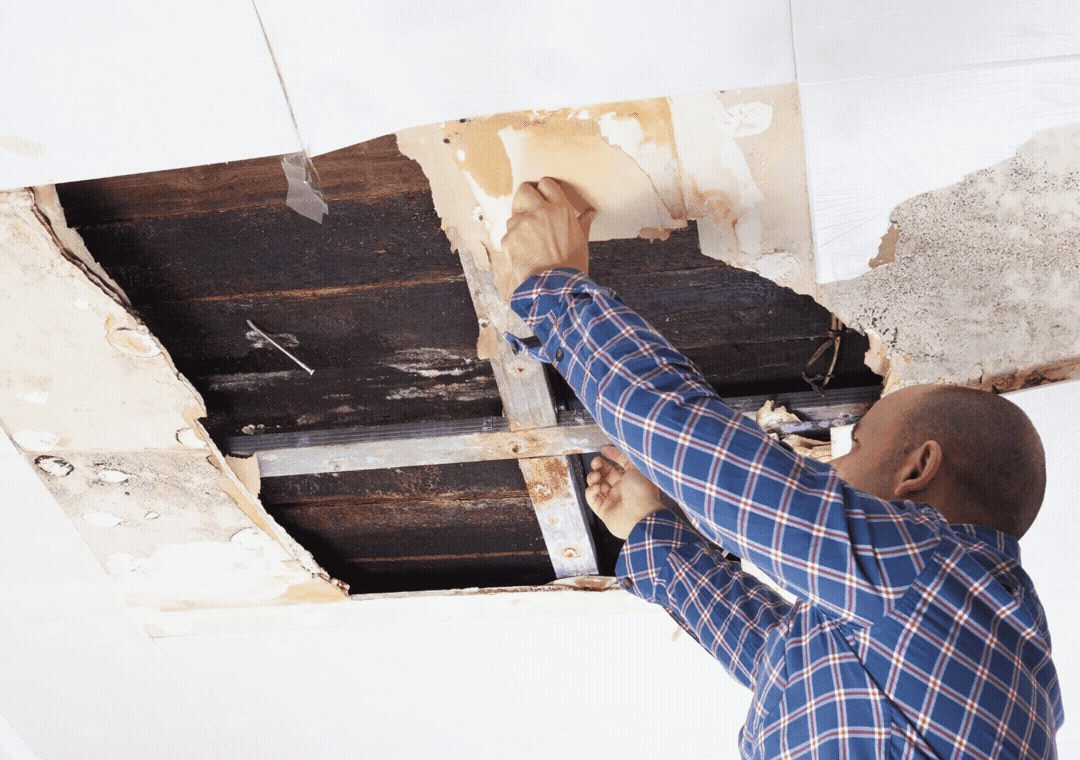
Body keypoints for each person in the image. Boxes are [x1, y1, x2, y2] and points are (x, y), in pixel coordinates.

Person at [498, 177, 1062, 759]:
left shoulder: (931, 581)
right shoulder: (946, 607)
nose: (834, 464)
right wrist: (655, 532)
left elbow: (723, 471)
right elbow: (779, 650)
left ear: (917, 470)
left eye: (856, 443)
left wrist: (553, 290)